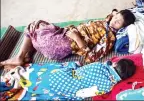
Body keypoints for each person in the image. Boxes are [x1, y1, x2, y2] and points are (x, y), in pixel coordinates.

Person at [0, 9, 136, 68]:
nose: (114, 21)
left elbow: (92, 57)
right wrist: (115, 13)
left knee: (35, 30)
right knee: (36, 24)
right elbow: (112, 14)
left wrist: (77, 39)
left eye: (118, 22)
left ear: (121, 28)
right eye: (116, 17)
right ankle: (24, 55)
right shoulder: (109, 20)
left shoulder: (109, 38)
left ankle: (21, 56)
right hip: (64, 33)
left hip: (65, 44)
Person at [6, 59, 135, 100]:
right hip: (58, 89)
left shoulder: (99, 65)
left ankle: (25, 77)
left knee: (69, 67)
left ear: (115, 64)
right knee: (67, 94)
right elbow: (84, 93)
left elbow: (83, 69)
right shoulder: (108, 86)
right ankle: (26, 88)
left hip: (57, 75)